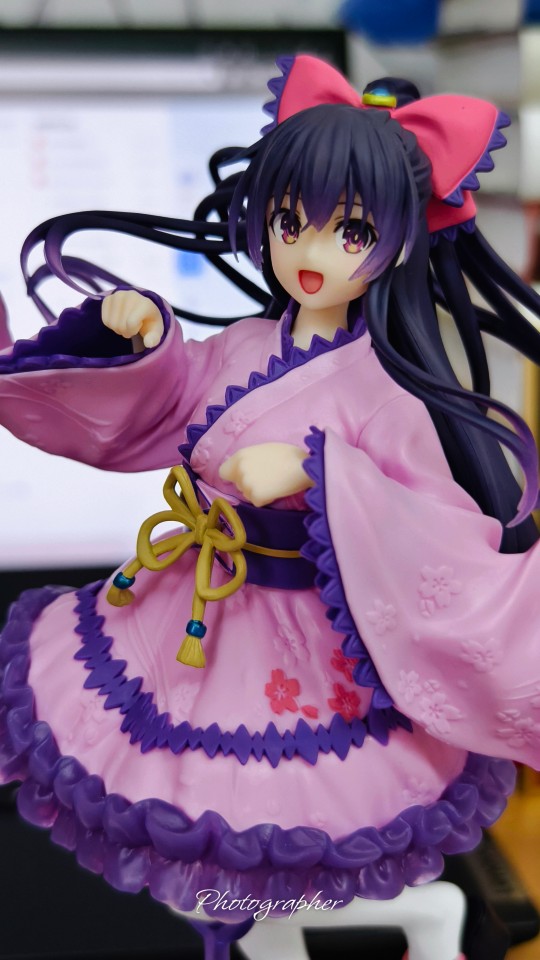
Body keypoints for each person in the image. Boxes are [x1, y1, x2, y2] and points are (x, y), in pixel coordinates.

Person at [1, 54, 540, 960]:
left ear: (398, 242)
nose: (311, 253)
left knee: (280, 835)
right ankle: (240, 932)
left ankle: (362, 927)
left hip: (308, 647)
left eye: (350, 231)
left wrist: (320, 472)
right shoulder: (247, 345)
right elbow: (170, 403)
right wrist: (144, 335)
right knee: (185, 818)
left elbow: (434, 525)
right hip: (194, 616)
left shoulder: (386, 391)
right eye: (291, 222)